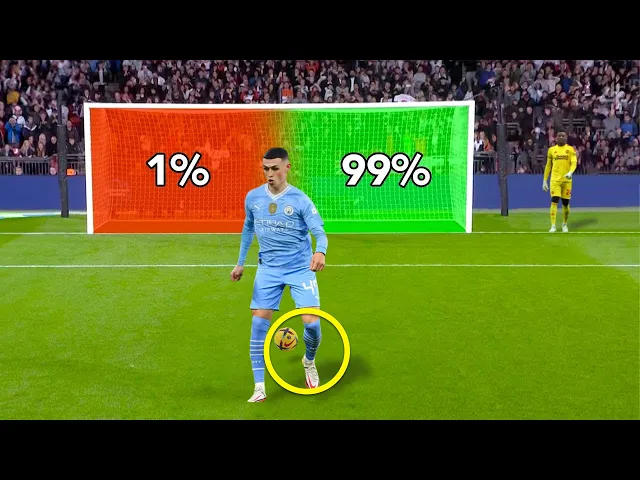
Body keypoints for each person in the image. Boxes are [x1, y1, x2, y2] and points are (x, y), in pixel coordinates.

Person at [230, 147, 328, 402]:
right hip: (268, 270)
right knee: (258, 325)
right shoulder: (253, 197)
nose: (270, 173)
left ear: (287, 168)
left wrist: (320, 252)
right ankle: (259, 387)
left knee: (312, 324)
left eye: (275, 168)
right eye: (266, 169)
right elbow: (247, 229)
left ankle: (309, 360)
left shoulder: (300, 200)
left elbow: (320, 232)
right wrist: (240, 264)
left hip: (300, 269)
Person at [542, 129, 577, 232]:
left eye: (563, 136)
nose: (561, 137)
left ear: (566, 138)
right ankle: (553, 225)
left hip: (566, 180)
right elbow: (548, 165)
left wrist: (570, 172)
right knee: (554, 200)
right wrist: (544, 180)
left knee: (565, 203)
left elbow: (574, 162)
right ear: (556, 138)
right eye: (559, 136)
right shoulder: (552, 150)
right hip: (555, 180)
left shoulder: (570, 149)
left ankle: (564, 224)